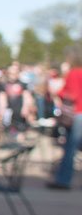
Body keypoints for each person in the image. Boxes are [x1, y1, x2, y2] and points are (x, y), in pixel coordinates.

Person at [47, 45, 82, 190]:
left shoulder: (74, 73)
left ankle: (63, 180)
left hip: (76, 114)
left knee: (70, 148)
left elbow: (70, 94)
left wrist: (58, 92)